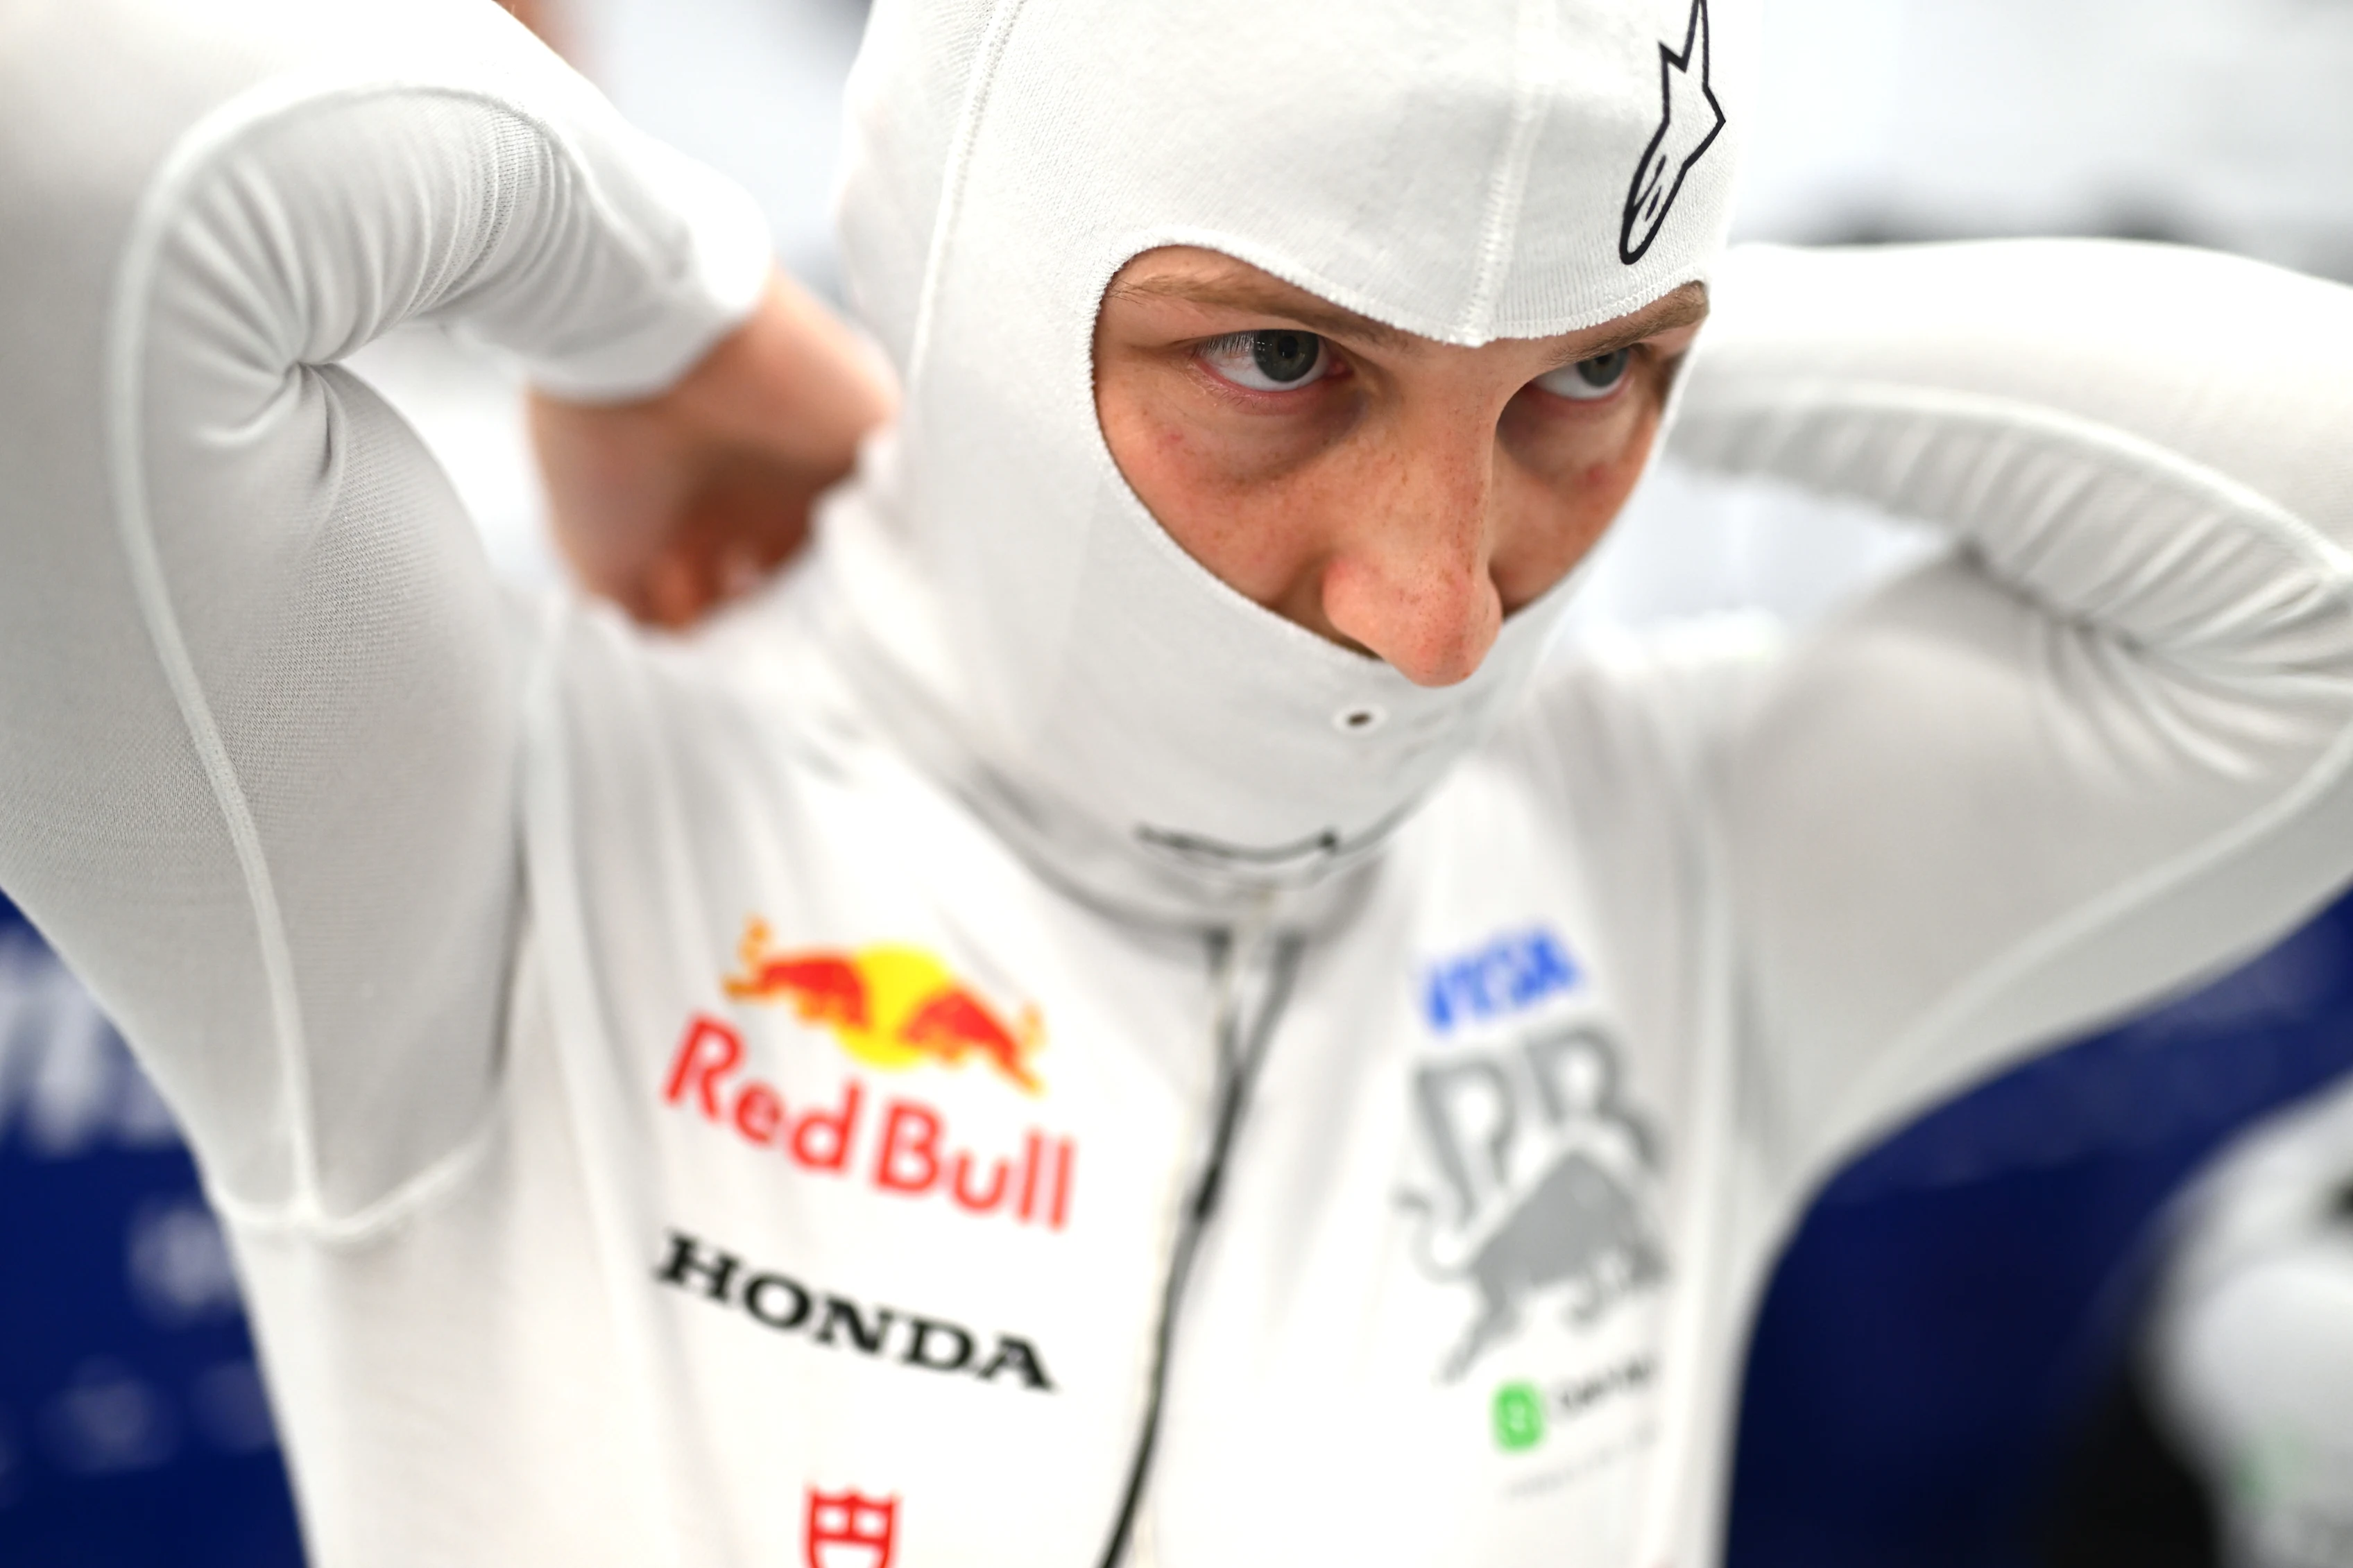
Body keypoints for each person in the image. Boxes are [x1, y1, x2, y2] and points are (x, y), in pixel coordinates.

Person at [4, 0, 2353, 1565]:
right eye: (1273, 357)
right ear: (990, 301)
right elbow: (60, 156)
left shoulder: (1660, 855)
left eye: (1579, 400)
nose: (1440, 609)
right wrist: (666, 306)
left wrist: (1620, 329)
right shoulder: (492, 812)